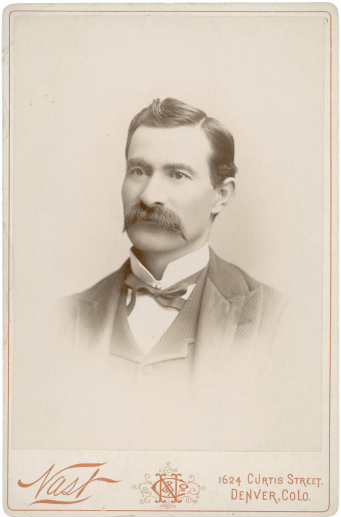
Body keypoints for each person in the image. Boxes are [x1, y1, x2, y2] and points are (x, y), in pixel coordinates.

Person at [50, 98, 320, 450]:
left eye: (177, 174)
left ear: (221, 196)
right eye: (138, 171)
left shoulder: (281, 320)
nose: (148, 196)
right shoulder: (60, 319)